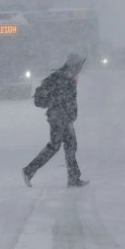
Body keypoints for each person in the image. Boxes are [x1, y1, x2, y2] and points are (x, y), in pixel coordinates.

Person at [22, 53, 89, 188]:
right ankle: (29, 170)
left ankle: (73, 178)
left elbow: (68, 99)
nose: (81, 67)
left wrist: (71, 114)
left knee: (69, 146)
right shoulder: (64, 77)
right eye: (80, 64)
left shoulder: (66, 75)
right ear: (74, 64)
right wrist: (65, 111)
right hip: (59, 117)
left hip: (62, 117)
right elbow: (65, 99)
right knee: (56, 146)